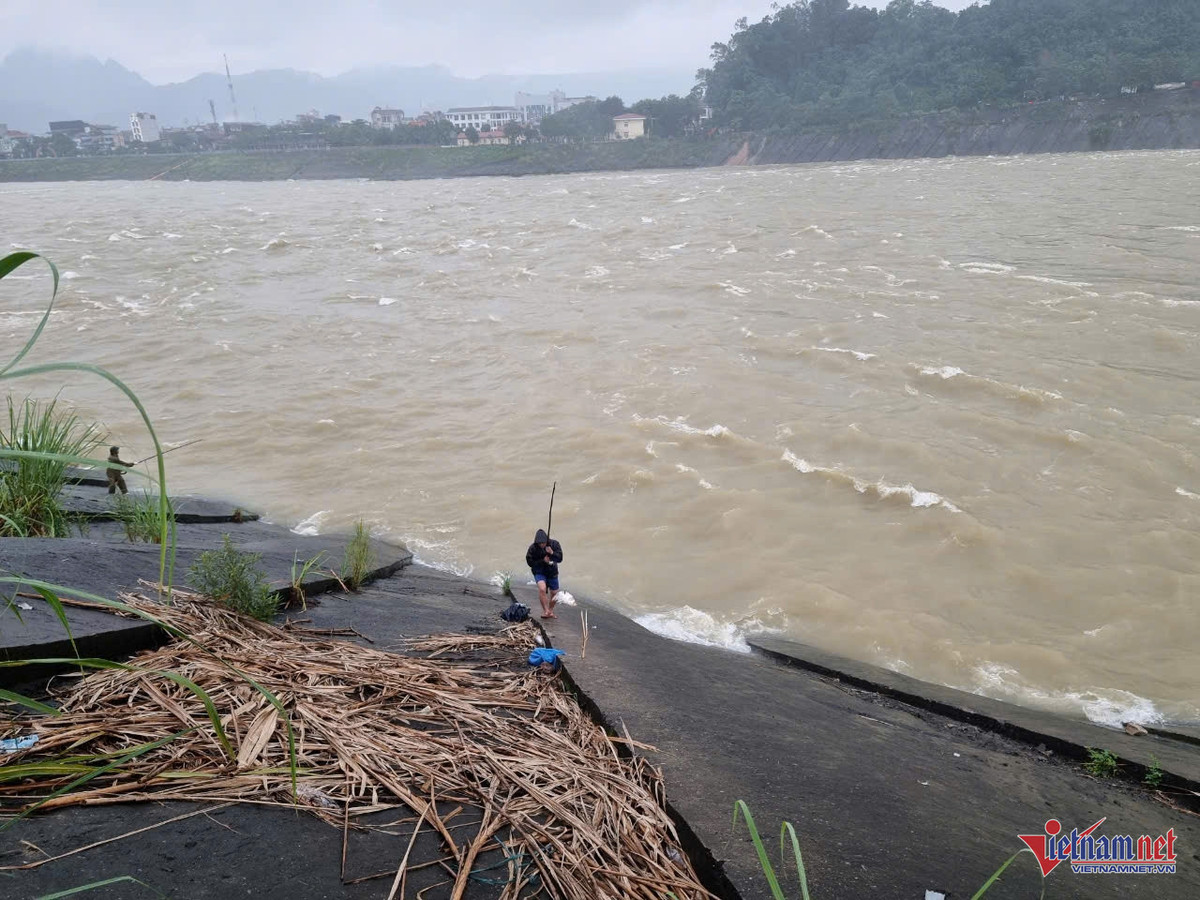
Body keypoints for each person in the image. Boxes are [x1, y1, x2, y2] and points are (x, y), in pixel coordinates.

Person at [525, 528, 563, 619]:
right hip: (539, 571)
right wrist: (543, 561)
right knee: (542, 589)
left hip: (552, 571)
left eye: (543, 543)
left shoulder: (555, 544)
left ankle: (550, 611)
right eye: (540, 543)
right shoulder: (533, 548)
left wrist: (552, 553)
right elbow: (530, 563)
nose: (542, 545)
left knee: (554, 592)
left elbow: (560, 558)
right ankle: (545, 611)